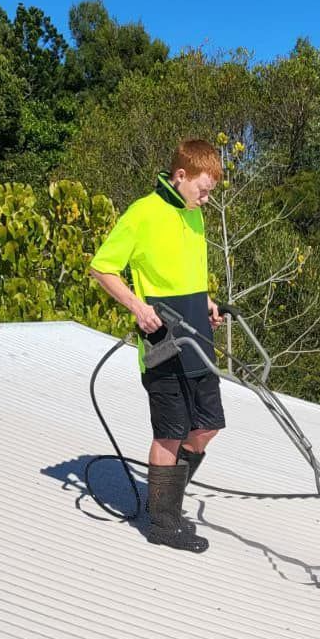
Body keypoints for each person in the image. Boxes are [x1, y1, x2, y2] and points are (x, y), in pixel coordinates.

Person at [89, 139, 225, 552]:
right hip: (162, 339)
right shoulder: (142, 213)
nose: (207, 198)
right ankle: (163, 523)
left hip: (198, 336)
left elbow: (188, 271)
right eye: (203, 189)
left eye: (210, 192)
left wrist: (206, 301)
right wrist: (137, 306)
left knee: (207, 426)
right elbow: (102, 267)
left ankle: (167, 499)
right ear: (181, 175)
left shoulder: (194, 216)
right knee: (170, 431)